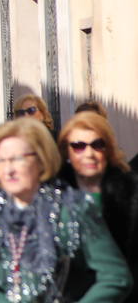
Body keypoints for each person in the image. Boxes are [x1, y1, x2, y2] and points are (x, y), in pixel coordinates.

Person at [0, 118, 132, 302]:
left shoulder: (74, 209)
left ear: (41, 160)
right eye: (0, 160)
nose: (8, 169)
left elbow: (116, 277)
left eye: (17, 159)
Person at [58, 112, 138, 301]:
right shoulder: (54, 195)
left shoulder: (131, 191)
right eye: (78, 146)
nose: (89, 153)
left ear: (108, 149)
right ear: (66, 152)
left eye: (97, 144)